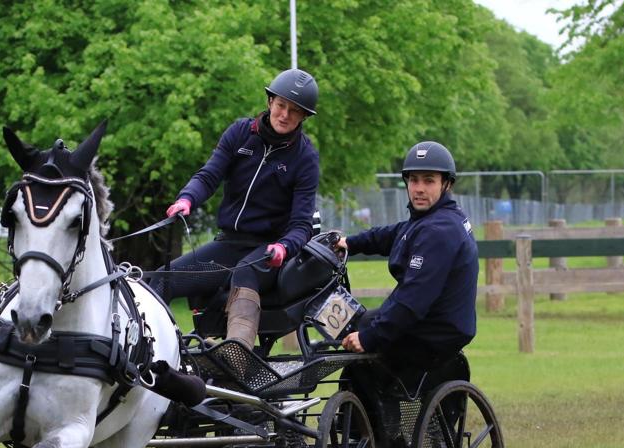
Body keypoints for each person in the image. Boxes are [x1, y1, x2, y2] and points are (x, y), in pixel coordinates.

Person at [148, 68, 321, 350]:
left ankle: (237, 355)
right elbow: (208, 176)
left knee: (245, 272)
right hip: (228, 244)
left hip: (268, 252)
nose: (285, 115)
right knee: (159, 279)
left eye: (294, 111)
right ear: (269, 102)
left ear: (303, 116)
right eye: (280, 105)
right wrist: (186, 199)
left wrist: (284, 247)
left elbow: (302, 224)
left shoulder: (306, 157)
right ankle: (152, 351)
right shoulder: (240, 133)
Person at [336, 141, 478, 404]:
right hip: (435, 322)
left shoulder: (439, 231)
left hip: (434, 332)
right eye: (413, 180)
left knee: (363, 340)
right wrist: (350, 243)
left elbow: (412, 301)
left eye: (429, 180)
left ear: (446, 184)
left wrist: (369, 338)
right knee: (363, 322)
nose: (419, 188)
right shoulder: (432, 218)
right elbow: (394, 234)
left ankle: (376, 435)